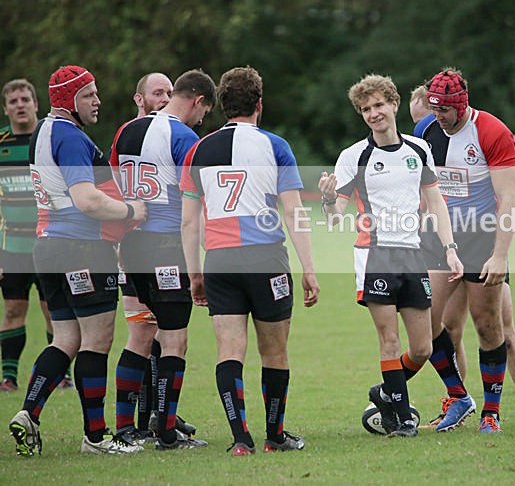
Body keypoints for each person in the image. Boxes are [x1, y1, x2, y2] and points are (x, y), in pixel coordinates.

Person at [9, 65, 147, 456]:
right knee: (97, 340)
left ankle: (28, 413)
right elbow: (87, 200)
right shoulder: (69, 136)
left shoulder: (42, 132)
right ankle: (96, 437)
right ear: (70, 101)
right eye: (89, 94)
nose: (97, 101)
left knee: (67, 338)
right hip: (80, 247)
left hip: (48, 247)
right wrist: (130, 211)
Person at [181, 66, 319, 455]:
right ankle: (275, 436)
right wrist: (309, 268)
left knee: (230, 350)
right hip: (265, 259)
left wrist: (195, 272)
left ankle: (241, 440)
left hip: (220, 261)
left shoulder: (197, 149)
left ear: (222, 106)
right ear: (259, 104)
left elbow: (189, 220)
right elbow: (294, 213)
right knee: (274, 351)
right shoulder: (275, 145)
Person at [319, 74, 462, 438]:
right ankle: (402, 418)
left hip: (413, 254)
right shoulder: (354, 156)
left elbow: (435, 203)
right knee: (390, 340)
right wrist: (326, 198)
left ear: (394, 104)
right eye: (366, 109)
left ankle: (385, 393)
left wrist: (450, 249)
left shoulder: (418, 150)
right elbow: (336, 214)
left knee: (423, 346)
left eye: (379, 105)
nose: (373, 113)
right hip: (373, 254)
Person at [411, 81, 515, 428]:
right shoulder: (426, 129)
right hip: (440, 239)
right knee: (429, 324)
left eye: (444, 110)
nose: (438, 117)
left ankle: (495, 412)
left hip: (483, 240)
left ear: (461, 104)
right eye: (434, 109)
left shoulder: (491, 132)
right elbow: (424, 187)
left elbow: (508, 200)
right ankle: (459, 398)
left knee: (491, 326)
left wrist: (501, 256)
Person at [111, 69, 214, 451]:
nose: (201, 121)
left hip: (130, 244)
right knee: (174, 341)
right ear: (198, 101)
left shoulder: (125, 131)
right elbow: (195, 201)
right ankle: (167, 434)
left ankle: (124, 430)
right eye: (203, 113)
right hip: (167, 247)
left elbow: (114, 184)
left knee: (140, 335)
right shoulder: (185, 137)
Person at [0, 79, 70, 392]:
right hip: (11, 245)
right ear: (5, 108)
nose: (20, 104)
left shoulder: (48, 139)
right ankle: (9, 378)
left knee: (52, 310)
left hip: (49, 241)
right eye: (13, 101)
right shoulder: (1, 144)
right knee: (13, 310)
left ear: (36, 104)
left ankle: (61, 375)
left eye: (25, 99)